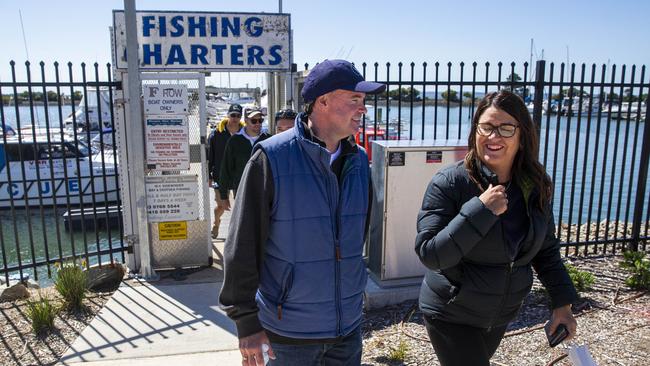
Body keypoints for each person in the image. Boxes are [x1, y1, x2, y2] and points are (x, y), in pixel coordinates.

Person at [219, 59, 385, 366]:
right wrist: (247, 323)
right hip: (288, 335)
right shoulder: (271, 158)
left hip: (346, 330)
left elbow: (357, 236)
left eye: (363, 101)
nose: (362, 109)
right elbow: (242, 245)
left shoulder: (360, 160)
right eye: (354, 100)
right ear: (322, 101)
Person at [415, 89, 578, 366]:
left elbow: (546, 250)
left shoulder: (534, 184)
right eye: (487, 127)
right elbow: (430, 253)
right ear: (475, 131)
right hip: (451, 313)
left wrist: (562, 304)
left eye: (506, 128)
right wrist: (481, 211)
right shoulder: (450, 183)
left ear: (522, 136)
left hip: (499, 315)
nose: (494, 136)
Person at [218, 107, 271, 209]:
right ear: (246, 120)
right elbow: (226, 168)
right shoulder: (234, 141)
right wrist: (224, 196)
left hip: (265, 191)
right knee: (245, 222)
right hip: (242, 191)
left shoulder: (268, 139)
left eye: (260, 120)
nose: (258, 123)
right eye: (254, 121)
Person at [207, 103, 243, 239]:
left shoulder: (244, 132)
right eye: (233, 115)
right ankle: (216, 224)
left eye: (238, 115)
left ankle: (237, 233)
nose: (235, 118)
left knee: (241, 207)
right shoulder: (217, 133)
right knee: (221, 206)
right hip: (220, 175)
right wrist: (209, 175)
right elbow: (211, 155)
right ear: (228, 115)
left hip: (239, 175)